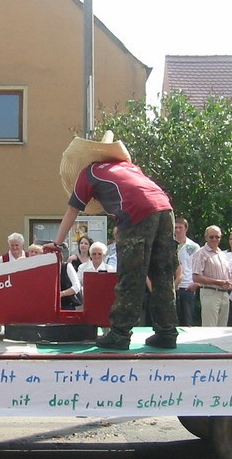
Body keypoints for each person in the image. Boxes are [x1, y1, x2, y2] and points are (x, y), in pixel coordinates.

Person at [43, 130, 179, 350]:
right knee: (162, 274)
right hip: (165, 208)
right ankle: (167, 333)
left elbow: (72, 211)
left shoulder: (88, 173)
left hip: (136, 211)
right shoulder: (129, 167)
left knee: (131, 275)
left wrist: (57, 243)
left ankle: (120, 334)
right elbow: (138, 194)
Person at [192, 225, 232, 327]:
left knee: (222, 330)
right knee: (209, 328)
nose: (214, 239)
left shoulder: (222, 254)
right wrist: (219, 282)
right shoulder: (201, 253)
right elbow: (196, 277)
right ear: (206, 237)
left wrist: (230, 284)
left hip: (224, 294)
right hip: (210, 293)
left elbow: (228, 275)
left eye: (217, 237)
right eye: (211, 237)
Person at [174, 217, 200, 326]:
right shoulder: (168, 245)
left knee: (187, 321)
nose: (178, 230)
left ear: (186, 228)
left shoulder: (194, 246)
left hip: (187, 286)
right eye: (176, 227)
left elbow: (199, 267)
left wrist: (196, 284)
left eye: (180, 227)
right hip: (172, 287)